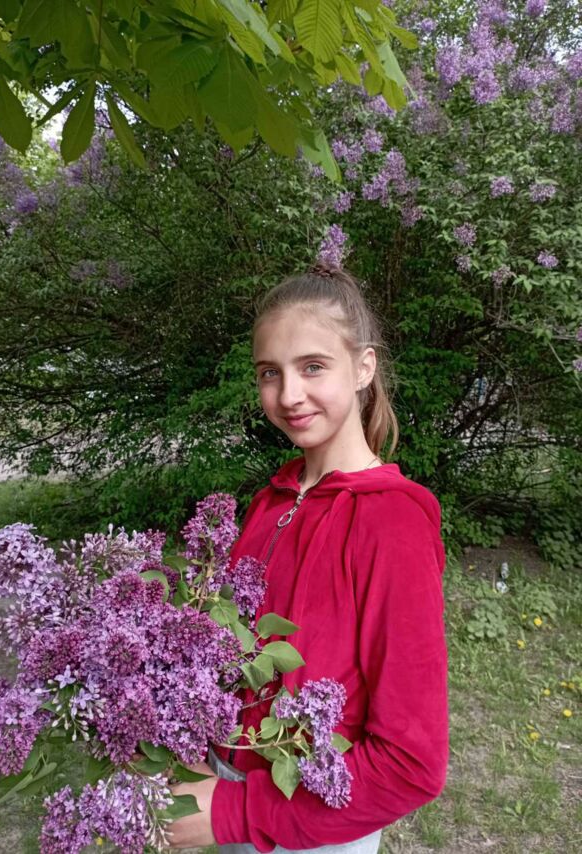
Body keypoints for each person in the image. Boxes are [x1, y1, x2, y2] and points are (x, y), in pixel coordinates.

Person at [166, 264, 449, 853]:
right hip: (221, 789)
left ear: (363, 367)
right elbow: (226, 656)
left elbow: (412, 764)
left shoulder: (393, 523)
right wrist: (192, 750)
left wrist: (238, 812)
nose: (289, 395)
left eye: (313, 366)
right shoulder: (270, 501)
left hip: (315, 826)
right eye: (270, 372)